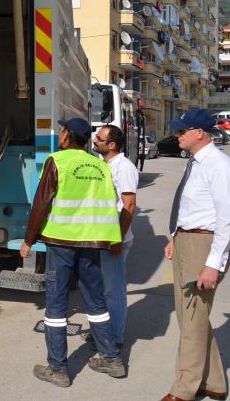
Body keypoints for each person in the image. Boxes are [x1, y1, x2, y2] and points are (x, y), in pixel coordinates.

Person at [21, 118, 126, 388]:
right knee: (96, 302)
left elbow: (41, 203)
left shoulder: (58, 161)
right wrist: (113, 241)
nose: (61, 135)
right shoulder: (100, 166)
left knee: (56, 306)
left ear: (67, 136)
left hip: (62, 243)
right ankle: (112, 359)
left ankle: (58, 368)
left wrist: (29, 240)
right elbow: (109, 206)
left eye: (63, 131)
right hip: (92, 243)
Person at [160, 109, 230, 401]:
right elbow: (191, 207)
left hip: (204, 246)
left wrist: (213, 265)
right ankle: (214, 382)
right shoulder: (196, 163)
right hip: (186, 240)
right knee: (191, 317)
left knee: (193, 317)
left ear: (199, 133)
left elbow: (225, 220)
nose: (177, 135)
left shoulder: (221, 166)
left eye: (182, 131)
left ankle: (184, 389)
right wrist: (174, 237)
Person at [91, 124, 138, 348]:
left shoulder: (124, 167)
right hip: (103, 238)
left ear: (111, 145)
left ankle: (115, 339)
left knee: (114, 291)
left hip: (115, 240)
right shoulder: (103, 164)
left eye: (99, 138)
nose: (94, 141)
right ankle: (103, 333)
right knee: (102, 290)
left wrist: (117, 238)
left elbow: (129, 205)